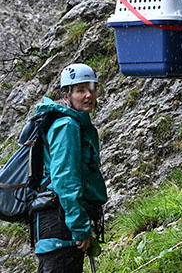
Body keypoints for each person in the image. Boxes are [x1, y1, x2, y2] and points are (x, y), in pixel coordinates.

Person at [31, 63, 107, 273]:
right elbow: (66, 179)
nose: (88, 95)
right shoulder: (67, 126)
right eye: (80, 90)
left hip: (56, 221)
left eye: (91, 88)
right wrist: (80, 226)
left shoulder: (77, 124)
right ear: (67, 95)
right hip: (59, 222)